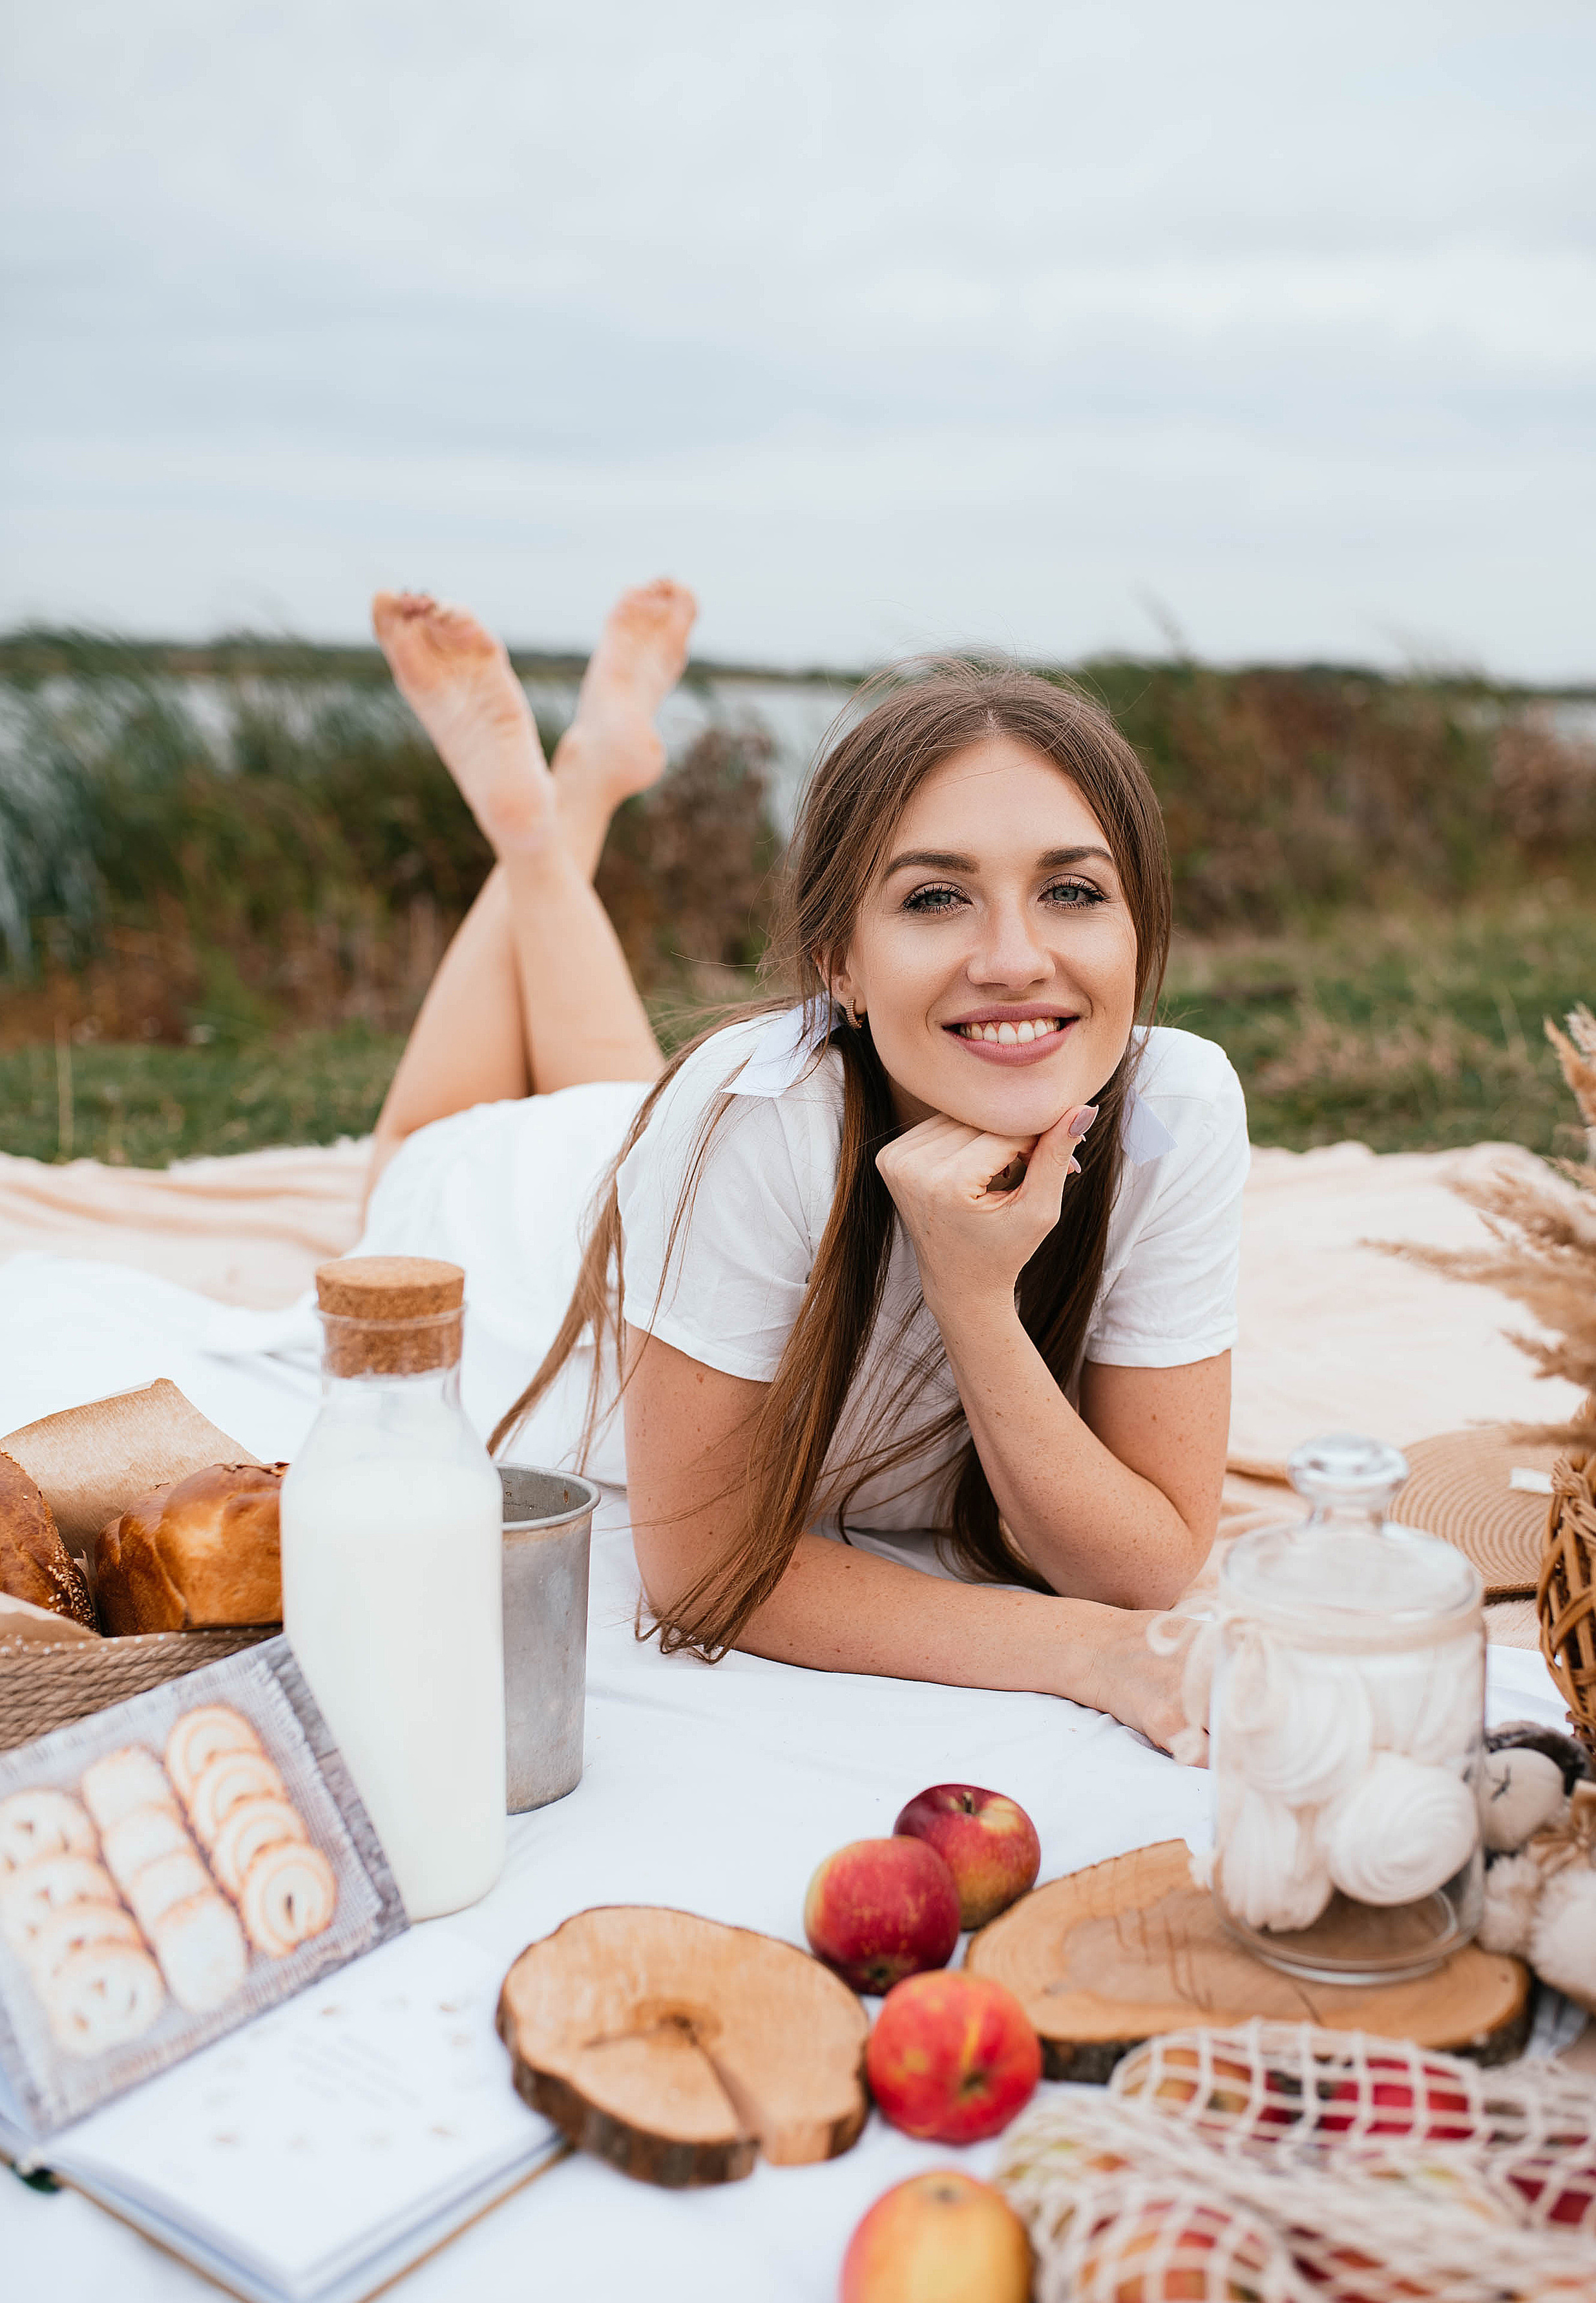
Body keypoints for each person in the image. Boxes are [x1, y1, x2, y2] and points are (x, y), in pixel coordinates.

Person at [361, 580, 1248, 1751]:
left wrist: (973, 1296)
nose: (1016, 957)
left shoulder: (1175, 1110)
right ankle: (541, 823)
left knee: (625, 1095)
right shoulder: (750, 1116)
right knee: (414, 1151)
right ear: (838, 959)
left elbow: (1145, 1569)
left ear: (1139, 929)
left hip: (684, 1145)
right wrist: (1084, 1656)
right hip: (544, 1221)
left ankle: (567, 799)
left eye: (1072, 891)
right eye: (937, 898)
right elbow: (704, 1572)